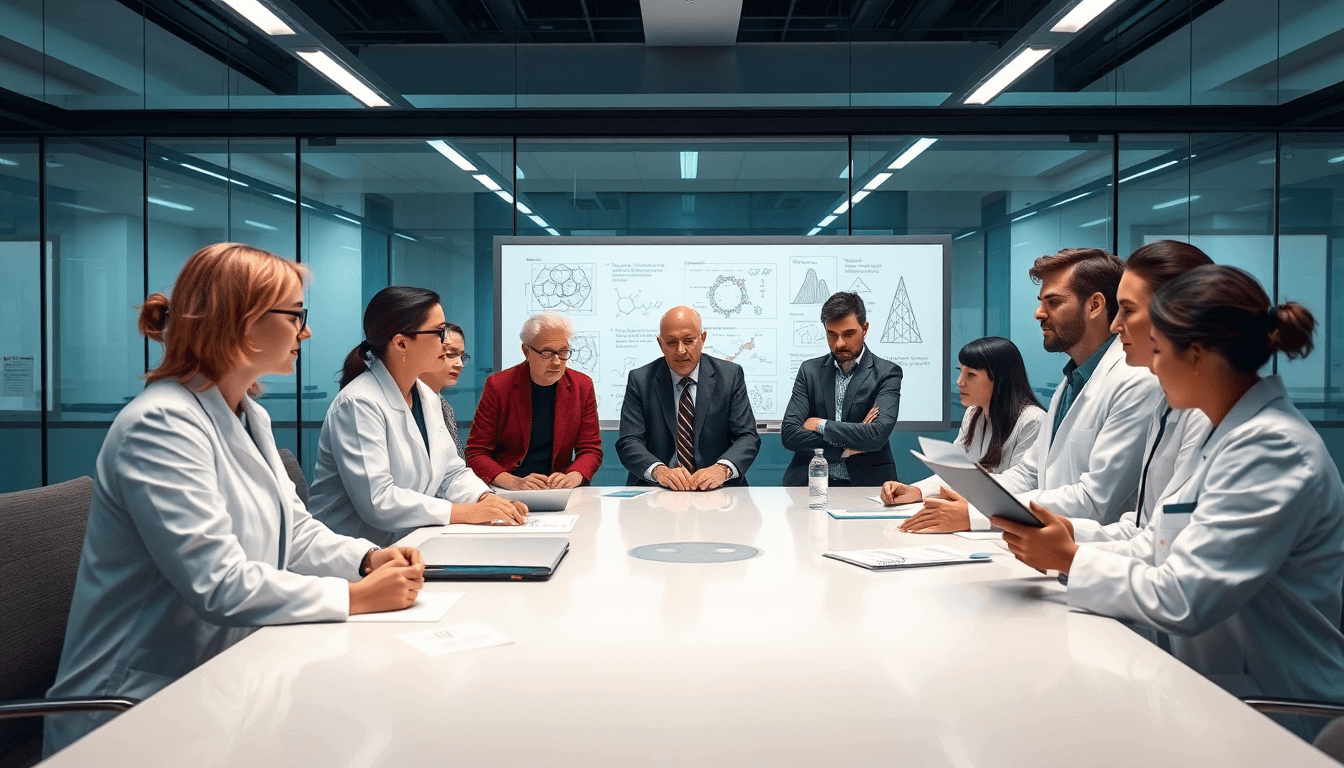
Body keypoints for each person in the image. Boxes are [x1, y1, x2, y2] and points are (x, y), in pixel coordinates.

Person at [44, 244, 425, 755]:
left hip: (227, 678)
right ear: (244, 322)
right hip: (136, 707)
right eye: (295, 315)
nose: (305, 332)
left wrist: (365, 558)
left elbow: (297, 531)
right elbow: (218, 583)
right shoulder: (161, 424)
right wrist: (356, 598)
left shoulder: (248, 414)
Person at [996, 265, 1344, 738]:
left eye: (1158, 351)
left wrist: (1073, 560)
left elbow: (1184, 598)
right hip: (1211, 687)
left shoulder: (1272, 448)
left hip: (1274, 712)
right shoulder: (1228, 436)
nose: (1152, 368)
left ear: (1197, 353)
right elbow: (1158, 542)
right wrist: (1066, 547)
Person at [911, 248, 1164, 532]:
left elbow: (1094, 500)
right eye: (1041, 301)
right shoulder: (1072, 380)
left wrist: (978, 516)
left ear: (1094, 306)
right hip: (1049, 550)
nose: (1038, 313)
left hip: (1095, 553)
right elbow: (1029, 474)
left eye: (1054, 302)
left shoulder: (1135, 381)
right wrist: (975, 501)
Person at [309, 286, 528, 546]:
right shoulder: (358, 403)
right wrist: (463, 512)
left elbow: (451, 473)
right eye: (438, 333)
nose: (446, 342)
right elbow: (378, 501)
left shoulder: (425, 395)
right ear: (401, 343)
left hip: (412, 542)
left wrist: (484, 499)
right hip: (352, 554)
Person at [1069, 240, 1214, 543]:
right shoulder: (1168, 405)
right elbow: (1147, 528)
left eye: (1128, 310)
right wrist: (1066, 535)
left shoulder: (1212, 419)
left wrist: (1072, 555)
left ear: (1178, 315)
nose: (1115, 325)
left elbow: (1175, 558)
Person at [880, 337, 1045, 528]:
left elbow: (1022, 484)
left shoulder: (1032, 420)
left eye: (971, 375)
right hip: (975, 520)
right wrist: (916, 490)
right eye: (960, 372)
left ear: (1000, 378)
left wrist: (970, 491)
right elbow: (954, 472)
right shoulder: (973, 414)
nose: (959, 382)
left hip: (1004, 527)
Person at [617, 306, 760, 489]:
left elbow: (747, 436)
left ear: (703, 339)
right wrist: (659, 471)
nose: (681, 350)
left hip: (717, 488)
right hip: (658, 489)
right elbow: (629, 441)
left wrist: (722, 469)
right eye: (671, 342)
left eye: (688, 340)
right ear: (661, 345)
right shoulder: (640, 380)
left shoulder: (730, 376)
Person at [466, 312, 603, 489]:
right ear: (526, 351)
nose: (556, 362)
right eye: (547, 353)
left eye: (563, 352)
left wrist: (573, 476)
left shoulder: (581, 385)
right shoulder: (499, 385)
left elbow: (591, 449)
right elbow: (476, 452)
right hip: (508, 489)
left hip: (557, 490)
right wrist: (511, 482)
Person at [781, 291, 902, 487]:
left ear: (865, 328)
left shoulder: (887, 373)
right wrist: (845, 448)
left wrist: (820, 424)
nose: (839, 343)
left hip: (867, 484)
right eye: (831, 334)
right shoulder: (809, 371)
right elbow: (789, 434)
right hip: (809, 483)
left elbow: (876, 436)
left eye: (848, 334)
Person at [418, 321, 469, 455]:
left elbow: (456, 465)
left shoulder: (445, 407)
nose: (459, 364)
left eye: (462, 357)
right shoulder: (410, 404)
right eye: (450, 354)